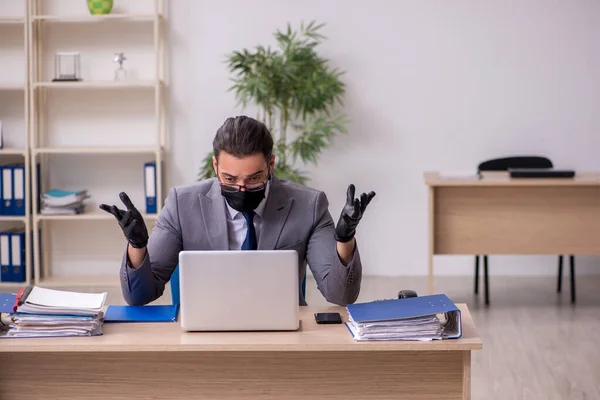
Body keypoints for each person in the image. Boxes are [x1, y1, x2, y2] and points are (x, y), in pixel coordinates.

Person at [100, 116, 376, 306]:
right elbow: (139, 296)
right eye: (230, 180)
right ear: (215, 167)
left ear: (271, 164)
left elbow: (340, 295)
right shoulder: (182, 204)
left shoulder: (308, 205)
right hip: (202, 333)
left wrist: (345, 240)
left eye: (254, 178)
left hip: (282, 335)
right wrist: (137, 246)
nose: (242, 188)